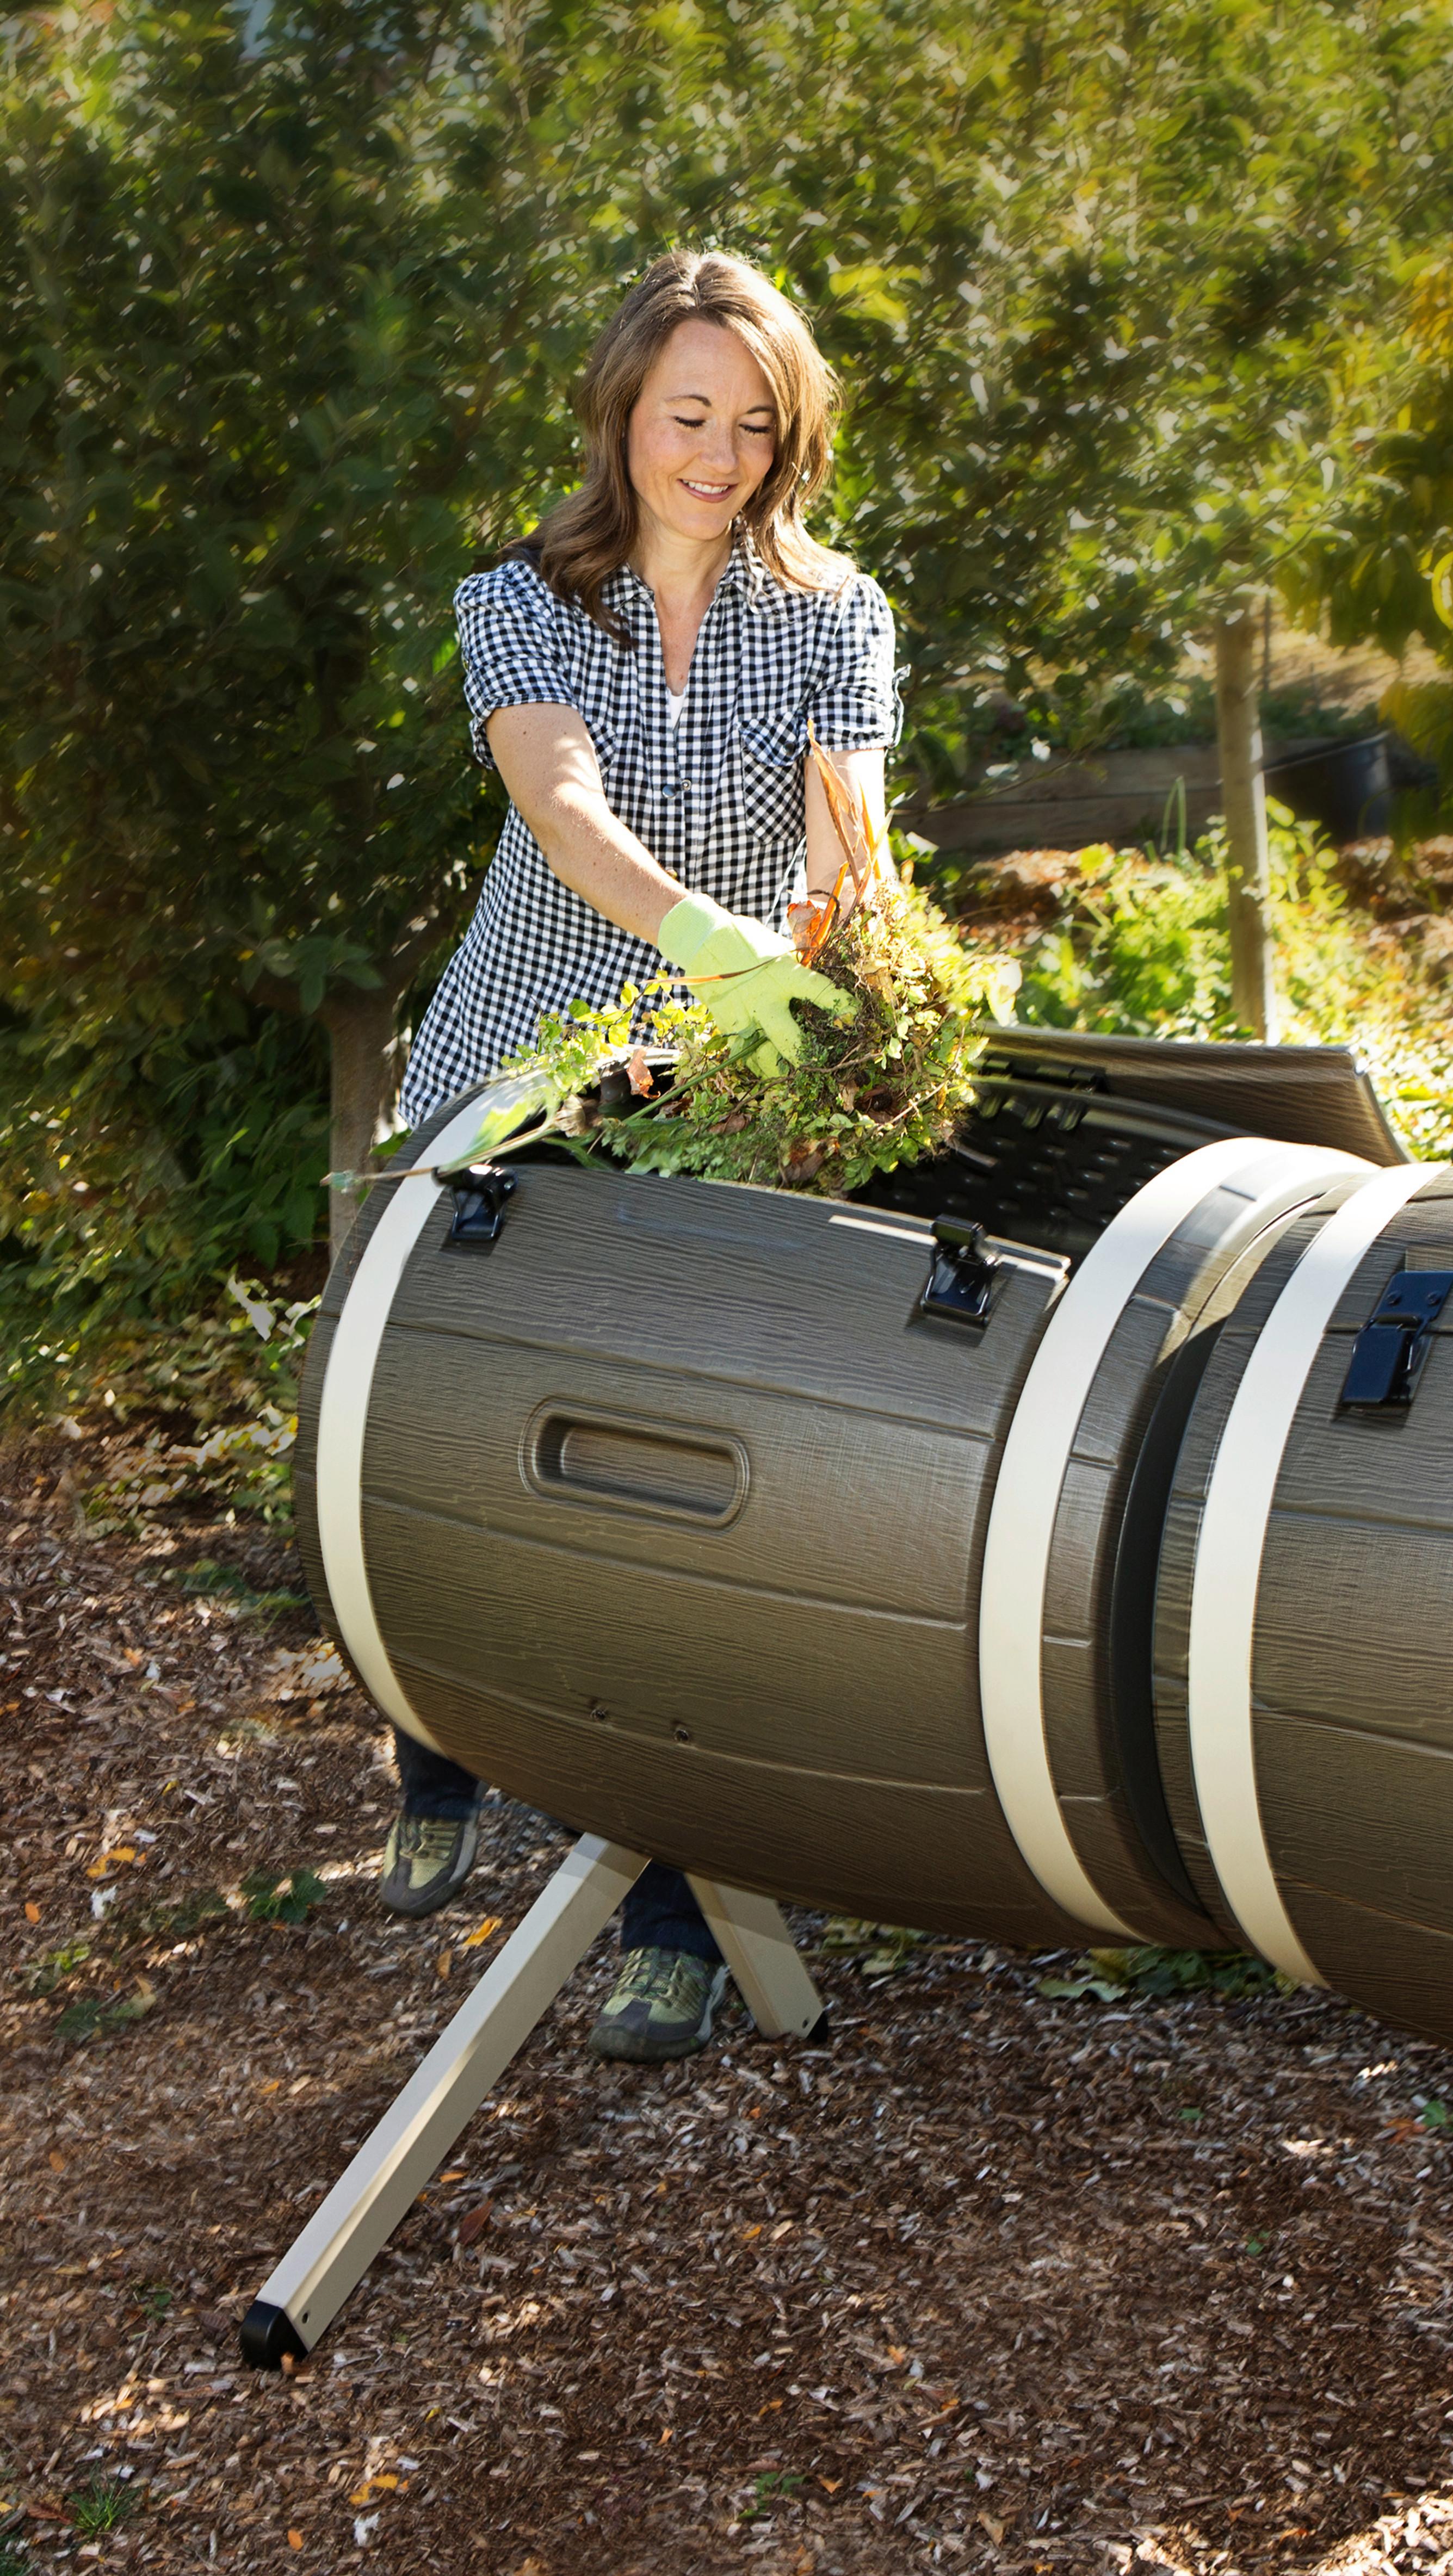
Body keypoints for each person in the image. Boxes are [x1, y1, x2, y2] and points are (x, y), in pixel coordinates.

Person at [377, 250, 898, 2063]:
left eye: (756, 424)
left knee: (687, 1488)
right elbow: (560, 803)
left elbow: (852, 847)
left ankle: (684, 1900)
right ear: (622, 412)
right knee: (437, 1441)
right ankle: (439, 1739)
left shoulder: (835, 612)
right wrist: (716, 941)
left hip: (712, 1098)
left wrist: (821, 958)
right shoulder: (521, 600)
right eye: (690, 415)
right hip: (509, 1077)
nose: (721, 453)